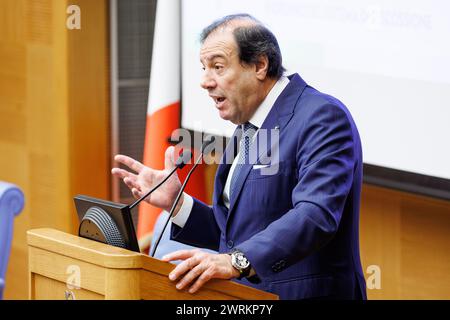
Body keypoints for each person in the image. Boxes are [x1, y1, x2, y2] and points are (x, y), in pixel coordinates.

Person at [112, 13, 367, 300]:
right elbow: (234, 236)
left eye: (218, 67)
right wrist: (178, 203)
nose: (205, 82)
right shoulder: (247, 126)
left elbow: (315, 215)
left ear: (259, 65)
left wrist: (237, 261)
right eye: (204, 68)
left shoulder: (321, 117)